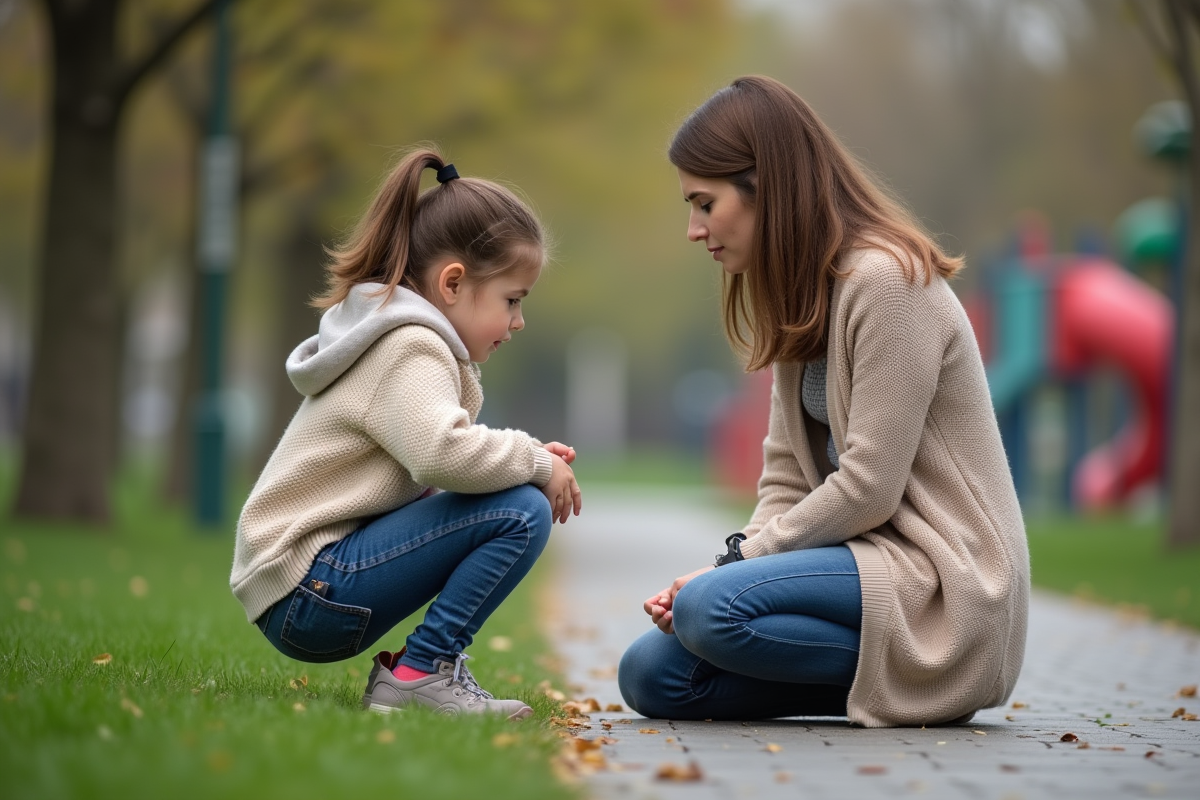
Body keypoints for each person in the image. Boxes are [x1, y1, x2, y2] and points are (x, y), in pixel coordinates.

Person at [617, 76, 1028, 728]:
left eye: (704, 203)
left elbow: (869, 487)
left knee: (708, 611)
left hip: (945, 583)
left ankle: (944, 672)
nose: (693, 230)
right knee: (650, 676)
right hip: (869, 569)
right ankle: (899, 687)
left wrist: (734, 566)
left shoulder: (886, 280)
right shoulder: (802, 295)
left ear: (765, 188)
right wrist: (736, 560)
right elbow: (784, 477)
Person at [231, 148, 582, 721]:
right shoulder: (409, 347)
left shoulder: (403, 340)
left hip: (303, 586)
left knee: (514, 496)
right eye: (512, 301)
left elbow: (437, 448)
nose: (518, 322)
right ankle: (422, 674)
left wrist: (523, 459)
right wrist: (533, 464)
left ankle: (422, 673)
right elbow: (440, 453)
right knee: (522, 511)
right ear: (452, 282)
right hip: (309, 589)